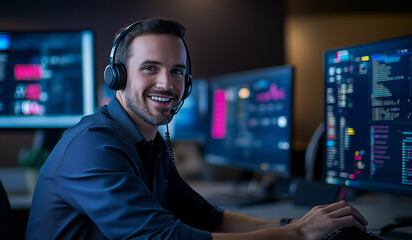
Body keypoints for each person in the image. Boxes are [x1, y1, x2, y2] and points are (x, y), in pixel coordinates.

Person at [26, 17, 368, 240]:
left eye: (177, 71)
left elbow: (208, 219)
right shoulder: (93, 148)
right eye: (149, 68)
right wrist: (297, 234)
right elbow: (165, 238)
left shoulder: (149, 142)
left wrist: (293, 225)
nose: (167, 83)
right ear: (116, 76)